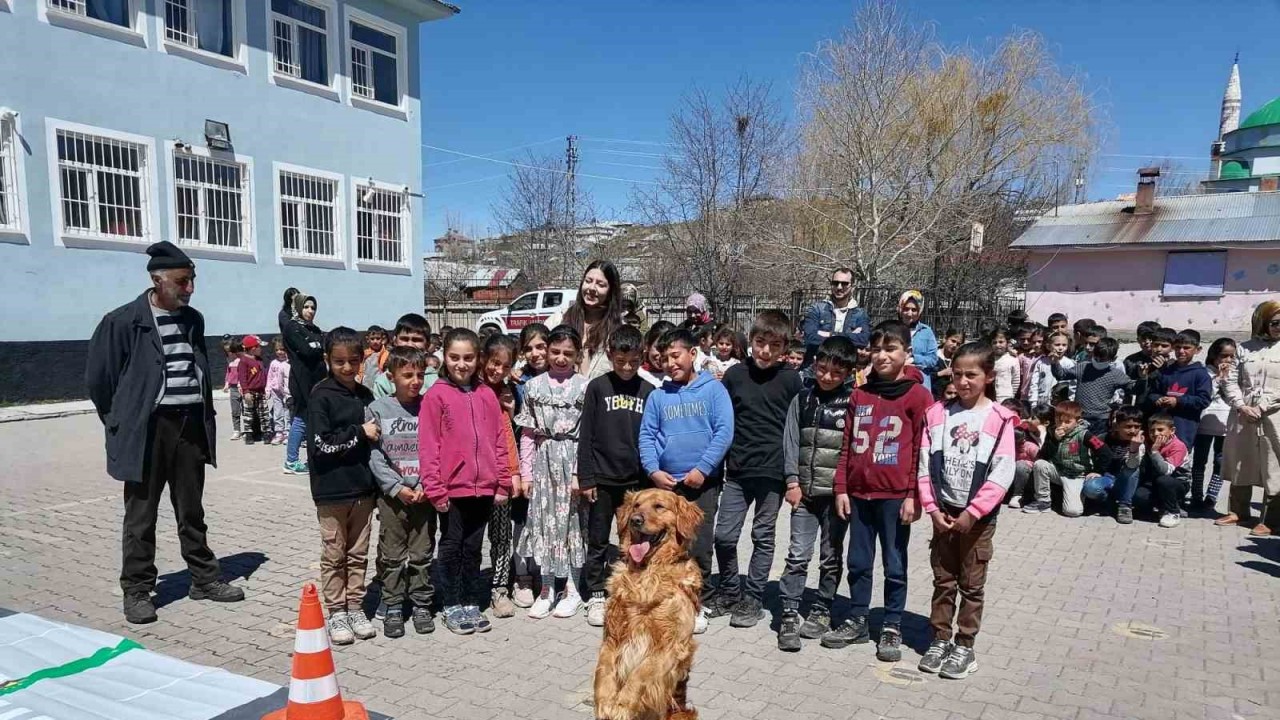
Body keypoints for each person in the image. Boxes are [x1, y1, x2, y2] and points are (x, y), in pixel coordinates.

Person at [86, 241, 243, 625]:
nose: (189, 288)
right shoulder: (122, 321)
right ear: (157, 280)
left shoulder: (193, 320)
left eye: (192, 281)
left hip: (189, 426)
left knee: (191, 510)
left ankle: (204, 578)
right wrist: (123, 421)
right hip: (148, 430)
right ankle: (137, 590)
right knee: (141, 514)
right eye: (182, 281)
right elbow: (100, 380)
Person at [824, 322, 931, 661]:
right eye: (877, 349)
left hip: (896, 495)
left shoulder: (918, 395)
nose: (883, 356)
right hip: (859, 493)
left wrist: (913, 495)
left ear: (907, 353)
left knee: (894, 562)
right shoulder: (860, 393)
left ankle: (892, 623)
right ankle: (857, 617)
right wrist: (842, 486)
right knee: (858, 560)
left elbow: (919, 450)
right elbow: (847, 446)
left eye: (891, 349)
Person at [916, 342, 1017, 680]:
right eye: (957, 374)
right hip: (943, 512)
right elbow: (924, 466)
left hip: (976, 518)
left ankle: (965, 644)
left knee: (971, 583)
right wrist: (931, 508)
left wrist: (974, 512)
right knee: (943, 580)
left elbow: (1002, 472)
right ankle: (940, 638)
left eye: (971, 375)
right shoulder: (938, 414)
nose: (963, 382)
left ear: (988, 376)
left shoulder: (1000, 420)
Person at [638, 327, 734, 635]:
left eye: (675, 356)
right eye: (664, 358)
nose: (670, 363)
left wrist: (703, 468)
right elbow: (647, 436)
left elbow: (723, 431)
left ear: (693, 354)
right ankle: (667, 598)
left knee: (700, 543)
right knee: (666, 544)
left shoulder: (713, 390)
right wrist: (653, 470)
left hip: (702, 483)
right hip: (667, 485)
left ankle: (696, 602)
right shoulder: (657, 397)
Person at [711, 310, 802, 629]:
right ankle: (730, 589)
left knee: (763, 536)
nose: (765, 351)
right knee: (724, 535)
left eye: (774, 345)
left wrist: (793, 477)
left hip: (772, 474)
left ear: (784, 348)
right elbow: (721, 422)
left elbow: (796, 428)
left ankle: (753, 597)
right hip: (736, 471)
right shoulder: (735, 374)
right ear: (749, 342)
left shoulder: (792, 380)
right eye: (760, 342)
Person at [419, 328, 513, 635]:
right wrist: (434, 487)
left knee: (474, 547)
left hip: (484, 488)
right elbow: (428, 444)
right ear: (444, 357)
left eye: (469, 358)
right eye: (454, 357)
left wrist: (501, 483)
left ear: (479, 359)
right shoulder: (436, 395)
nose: (462, 364)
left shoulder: (487, 394)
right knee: (451, 547)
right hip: (451, 489)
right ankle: (451, 603)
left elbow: (499, 440)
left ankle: (471, 600)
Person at [776, 336, 856, 651]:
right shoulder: (802, 399)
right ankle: (789, 613)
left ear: (849, 372)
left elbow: (852, 450)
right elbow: (791, 442)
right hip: (805, 495)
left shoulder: (853, 403)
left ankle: (822, 607)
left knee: (831, 557)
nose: (826, 377)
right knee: (797, 555)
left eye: (836, 373)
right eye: (822, 369)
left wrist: (844, 490)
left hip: (836, 497)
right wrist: (792, 482)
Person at [306, 327, 379, 645]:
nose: (347, 368)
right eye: (339, 362)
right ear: (327, 360)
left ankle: (354, 607)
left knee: (358, 554)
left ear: (362, 360)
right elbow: (321, 445)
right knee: (334, 554)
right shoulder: (320, 396)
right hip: (331, 491)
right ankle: (335, 611)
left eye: (353, 361)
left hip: (362, 491)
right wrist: (360, 432)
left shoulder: (365, 396)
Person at [578, 325, 653, 627]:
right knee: (597, 538)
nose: (626, 367)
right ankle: (596, 592)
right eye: (620, 361)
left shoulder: (649, 391)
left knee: (635, 539)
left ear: (642, 357)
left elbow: (651, 437)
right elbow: (586, 436)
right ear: (610, 355)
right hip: (602, 480)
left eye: (633, 362)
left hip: (635, 482)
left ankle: (632, 588)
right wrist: (587, 477)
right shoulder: (597, 387)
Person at [515, 325, 590, 619]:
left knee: (571, 523)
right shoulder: (533, 388)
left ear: (577, 355)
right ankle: (546, 588)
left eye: (568, 354)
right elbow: (527, 434)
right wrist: (526, 473)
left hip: (572, 460)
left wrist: (578, 473)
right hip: (544, 462)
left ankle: (571, 588)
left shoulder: (585, 387)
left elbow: (588, 436)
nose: (560, 359)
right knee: (544, 523)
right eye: (555, 352)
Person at [368, 346, 436, 639]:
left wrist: (425, 484)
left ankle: (421, 603)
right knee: (392, 554)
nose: (415, 381)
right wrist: (395, 488)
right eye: (407, 375)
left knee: (422, 553)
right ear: (391, 376)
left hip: (424, 495)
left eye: (420, 374)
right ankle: (393, 605)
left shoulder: (430, 406)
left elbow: (437, 449)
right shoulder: (378, 409)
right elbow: (375, 455)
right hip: (393, 498)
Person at [1216, 301, 1280, 535]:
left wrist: (1263, 406)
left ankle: (1271, 519)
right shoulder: (1245, 348)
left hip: (1274, 414)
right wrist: (1241, 405)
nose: (1278, 327)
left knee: (1274, 464)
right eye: (1274, 322)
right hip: (1244, 414)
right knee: (1240, 461)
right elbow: (1231, 380)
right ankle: (1238, 511)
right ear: (1263, 322)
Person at [478, 333, 522, 619]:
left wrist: (514, 472)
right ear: (483, 359)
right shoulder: (469, 388)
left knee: (501, 535)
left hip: (500, 474)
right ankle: (466, 589)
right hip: (470, 476)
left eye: (505, 367)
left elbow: (509, 434)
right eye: (494, 363)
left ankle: (499, 588)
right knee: (467, 536)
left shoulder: (507, 392)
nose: (498, 371)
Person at [510, 322, 550, 607]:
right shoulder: (517, 383)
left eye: (540, 346)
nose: (535, 353)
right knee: (522, 519)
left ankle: (543, 575)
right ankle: (522, 576)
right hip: (525, 460)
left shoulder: (565, 378)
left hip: (554, 460)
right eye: (529, 348)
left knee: (550, 519)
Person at [1026, 400, 1103, 517]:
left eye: (1067, 422)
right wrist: (1055, 440)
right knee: (1040, 464)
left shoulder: (1086, 435)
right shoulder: (1052, 432)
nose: (1062, 425)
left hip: (1076, 475)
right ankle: (1043, 501)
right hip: (1058, 471)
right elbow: (1044, 455)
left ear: (1077, 421)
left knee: (1072, 511)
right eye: (1059, 421)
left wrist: (1097, 471)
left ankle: (1081, 496)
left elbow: (1105, 452)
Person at [550, 260, 625, 379]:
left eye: (600, 284)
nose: (592, 288)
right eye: (588, 281)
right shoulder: (558, 319)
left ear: (611, 291)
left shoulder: (619, 330)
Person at [1143, 329, 1212, 450]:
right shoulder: (1167, 371)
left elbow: (1204, 400)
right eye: (1178, 347)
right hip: (1161, 426)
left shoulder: (1201, 374)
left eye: (1186, 348)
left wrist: (1178, 401)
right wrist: (1158, 399)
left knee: (1178, 460)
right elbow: (1153, 392)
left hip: (1184, 426)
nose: (1181, 351)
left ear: (1198, 350)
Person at [1050, 337, 1133, 436]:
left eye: (1102, 360)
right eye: (1096, 357)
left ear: (1112, 359)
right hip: (1080, 417)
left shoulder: (1115, 374)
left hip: (1101, 421)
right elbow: (1061, 375)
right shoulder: (1083, 367)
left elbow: (1132, 388)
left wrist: (1143, 377)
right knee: (1078, 446)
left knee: (1097, 446)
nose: (1097, 361)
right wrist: (1055, 362)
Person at [1080, 406, 1146, 524]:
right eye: (1128, 426)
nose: (1133, 430)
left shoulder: (1140, 442)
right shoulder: (1102, 438)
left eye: (1137, 427)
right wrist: (1096, 470)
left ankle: (1125, 506)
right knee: (1091, 488)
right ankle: (1107, 502)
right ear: (1117, 425)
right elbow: (1090, 454)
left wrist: (1134, 449)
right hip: (1107, 478)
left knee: (1132, 469)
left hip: (1127, 481)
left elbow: (1133, 466)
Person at [283, 292, 324, 474]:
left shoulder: (314, 329)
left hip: (318, 379)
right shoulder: (292, 327)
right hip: (301, 380)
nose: (310, 311)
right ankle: (291, 461)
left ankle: (313, 457)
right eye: (306, 307)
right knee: (301, 418)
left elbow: (322, 347)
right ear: (299, 308)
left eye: (313, 308)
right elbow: (307, 351)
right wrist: (317, 348)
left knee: (314, 418)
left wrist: (316, 347)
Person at [1193, 339, 1236, 512]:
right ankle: (1196, 495)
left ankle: (1212, 496)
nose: (1227, 360)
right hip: (1204, 422)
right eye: (1223, 355)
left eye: (1231, 356)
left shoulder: (1235, 373)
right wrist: (1219, 378)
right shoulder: (1205, 372)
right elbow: (1206, 394)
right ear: (1213, 355)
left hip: (1225, 423)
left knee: (1220, 461)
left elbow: (1234, 396)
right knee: (1200, 460)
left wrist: (1228, 379)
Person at [801, 268, 871, 366]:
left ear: (853, 287)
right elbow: (810, 337)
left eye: (844, 284)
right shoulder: (817, 309)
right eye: (835, 283)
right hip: (814, 368)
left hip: (845, 371)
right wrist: (849, 335)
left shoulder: (860, 314)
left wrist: (827, 334)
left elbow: (863, 340)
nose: (839, 287)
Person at [1135, 414, 1192, 528]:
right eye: (1152, 430)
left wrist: (1155, 452)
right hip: (1154, 482)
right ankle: (1162, 506)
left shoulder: (1178, 446)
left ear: (1172, 430)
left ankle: (1173, 512)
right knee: (1139, 496)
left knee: (1164, 480)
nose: (1156, 434)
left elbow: (1165, 471)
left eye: (1160, 430)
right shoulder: (1148, 443)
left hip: (1177, 483)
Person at [375, 314, 433, 398]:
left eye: (416, 340)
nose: (410, 344)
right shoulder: (383, 382)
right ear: (395, 341)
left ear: (427, 345)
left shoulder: (436, 381)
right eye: (404, 339)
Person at [898, 291, 939, 392]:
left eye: (914, 310)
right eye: (906, 309)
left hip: (920, 383)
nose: (909, 313)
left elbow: (933, 359)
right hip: (896, 382)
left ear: (919, 311)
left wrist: (914, 359)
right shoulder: (892, 329)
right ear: (900, 309)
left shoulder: (926, 332)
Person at [1028, 330, 1073, 407]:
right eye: (1057, 345)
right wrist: (1033, 403)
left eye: (1064, 345)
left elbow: (1072, 385)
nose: (1061, 348)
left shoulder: (1069, 363)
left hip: (1061, 404)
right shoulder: (1041, 362)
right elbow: (1034, 384)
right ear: (1048, 346)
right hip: (1042, 402)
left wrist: (1071, 402)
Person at [238, 335, 267, 444]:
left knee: (263, 413)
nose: (261, 349)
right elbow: (242, 378)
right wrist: (246, 391)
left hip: (261, 391)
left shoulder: (259, 360)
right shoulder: (244, 361)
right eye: (259, 347)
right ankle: (249, 434)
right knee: (249, 414)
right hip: (250, 392)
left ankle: (265, 432)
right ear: (253, 348)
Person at [266, 338, 291, 445]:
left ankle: (287, 432)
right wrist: (268, 389)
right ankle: (279, 432)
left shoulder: (289, 363)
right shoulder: (273, 363)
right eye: (277, 350)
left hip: (287, 391)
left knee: (288, 412)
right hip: (275, 391)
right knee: (277, 412)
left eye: (282, 349)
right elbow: (270, 377)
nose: (280, 352)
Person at [638, 321, 674, 388]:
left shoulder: (678, 375)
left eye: (668, 348)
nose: (662, 355)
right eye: (658, 348)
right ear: (648, 346)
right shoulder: (637, 375)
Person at [989, 328, 1020, 403]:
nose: (997, 345)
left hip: (1006, 397)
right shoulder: (988, 358)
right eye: (994, 342)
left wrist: (1011, 396)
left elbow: (1015, 380)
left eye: (1001, 342)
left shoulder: (1012, 359)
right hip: (990, 397)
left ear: (1007, 343)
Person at [932, 329, 965, 399]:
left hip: (952, 399)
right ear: (945, 339)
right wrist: (940, 373)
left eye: (958, 344)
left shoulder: (957, 360)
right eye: (953, 341)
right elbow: (924, 377)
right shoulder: (932, 356)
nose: (954, 345)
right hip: (934, 397)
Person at [224, 339, 244, 440]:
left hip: (242, 387)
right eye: (227, 352)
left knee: (246, 409)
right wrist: (226, 383)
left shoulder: (241, 360)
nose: (229, 354)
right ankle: (236, 430)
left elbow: (242, 374)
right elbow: (228, 373)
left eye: (231, 351)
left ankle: (250, 429)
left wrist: (241, 384)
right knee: (235, 410)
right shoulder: (230, 362)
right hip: (233, 388)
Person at [360, 325, 389, 389]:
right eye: (372, 339)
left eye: (378, 338)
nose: (375, 341)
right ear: (367, 339)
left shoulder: (386, 354)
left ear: (382, 339)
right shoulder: (365, 354)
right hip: (366, 383)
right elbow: (361, 367)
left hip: (379, 384)